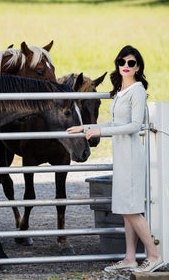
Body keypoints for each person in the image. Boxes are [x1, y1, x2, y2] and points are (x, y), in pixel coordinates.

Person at [67, 45, 164, 273]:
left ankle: (154, 255)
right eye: (122, 62)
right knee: (124, 208)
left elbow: (134, 125)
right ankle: (130, 257)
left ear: (138, 66)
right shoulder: (121, 91)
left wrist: (101, 132)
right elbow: (114, 124)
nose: (126, 67)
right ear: (118, 65)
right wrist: (87, 127)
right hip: (121, 157)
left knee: (131, 209)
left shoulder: (137, 91)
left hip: (131, 157)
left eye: (131, 63)